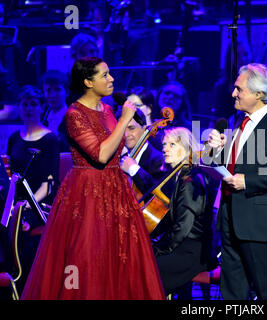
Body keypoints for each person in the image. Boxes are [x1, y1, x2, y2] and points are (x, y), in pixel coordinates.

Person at [21, 57, 165, 300]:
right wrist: (124, 120)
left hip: (116, 191)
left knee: (119, 256)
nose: (112, 79)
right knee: (86, 255)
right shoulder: (74, 114)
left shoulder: (108, 110)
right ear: (88, 82)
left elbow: (118, 151)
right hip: (87, 193)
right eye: (105, 75)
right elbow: (101, 154)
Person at [207, 63, 267, 299]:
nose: (233, 94)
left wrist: (248, 181)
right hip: (230, 219)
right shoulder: (237, 122)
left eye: (239, 89)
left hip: (260, 225)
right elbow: (227, 166)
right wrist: (212, 151)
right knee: (232, 292)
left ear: (259, 94)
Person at [6, 85, 60, 292]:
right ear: (19, 107)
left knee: (19, 229)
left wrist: (26, 206)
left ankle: (24, 285)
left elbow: (49, 183)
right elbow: (11, 177)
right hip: (16, 202)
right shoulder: (14, 139)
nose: (28, 108)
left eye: (33, 104)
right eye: (24, 104)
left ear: (41, 107)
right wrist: (10, 204)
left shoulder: (51, 140)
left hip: (39, 205)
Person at [152, 127, 217, 298]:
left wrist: (163, 249)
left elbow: (184, 225)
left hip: (192, 251)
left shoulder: (190, 180)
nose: (165, 149)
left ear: (188, 149)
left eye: (172, 144)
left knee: (147, 270)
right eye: (164, 144)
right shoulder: (179, 176)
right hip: (183, 246)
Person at [119, 107, 165, 196]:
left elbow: (158, 196)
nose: (126, 134)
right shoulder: (119, 160)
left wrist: (134, 169)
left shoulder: (159, 160)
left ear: (144, 129)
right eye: (122, 129)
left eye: (131, 128)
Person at [40, 70, 70, 152]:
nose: (52, 95)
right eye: (48, 90)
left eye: (57, 90)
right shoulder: (41, 117)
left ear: (67, 92)